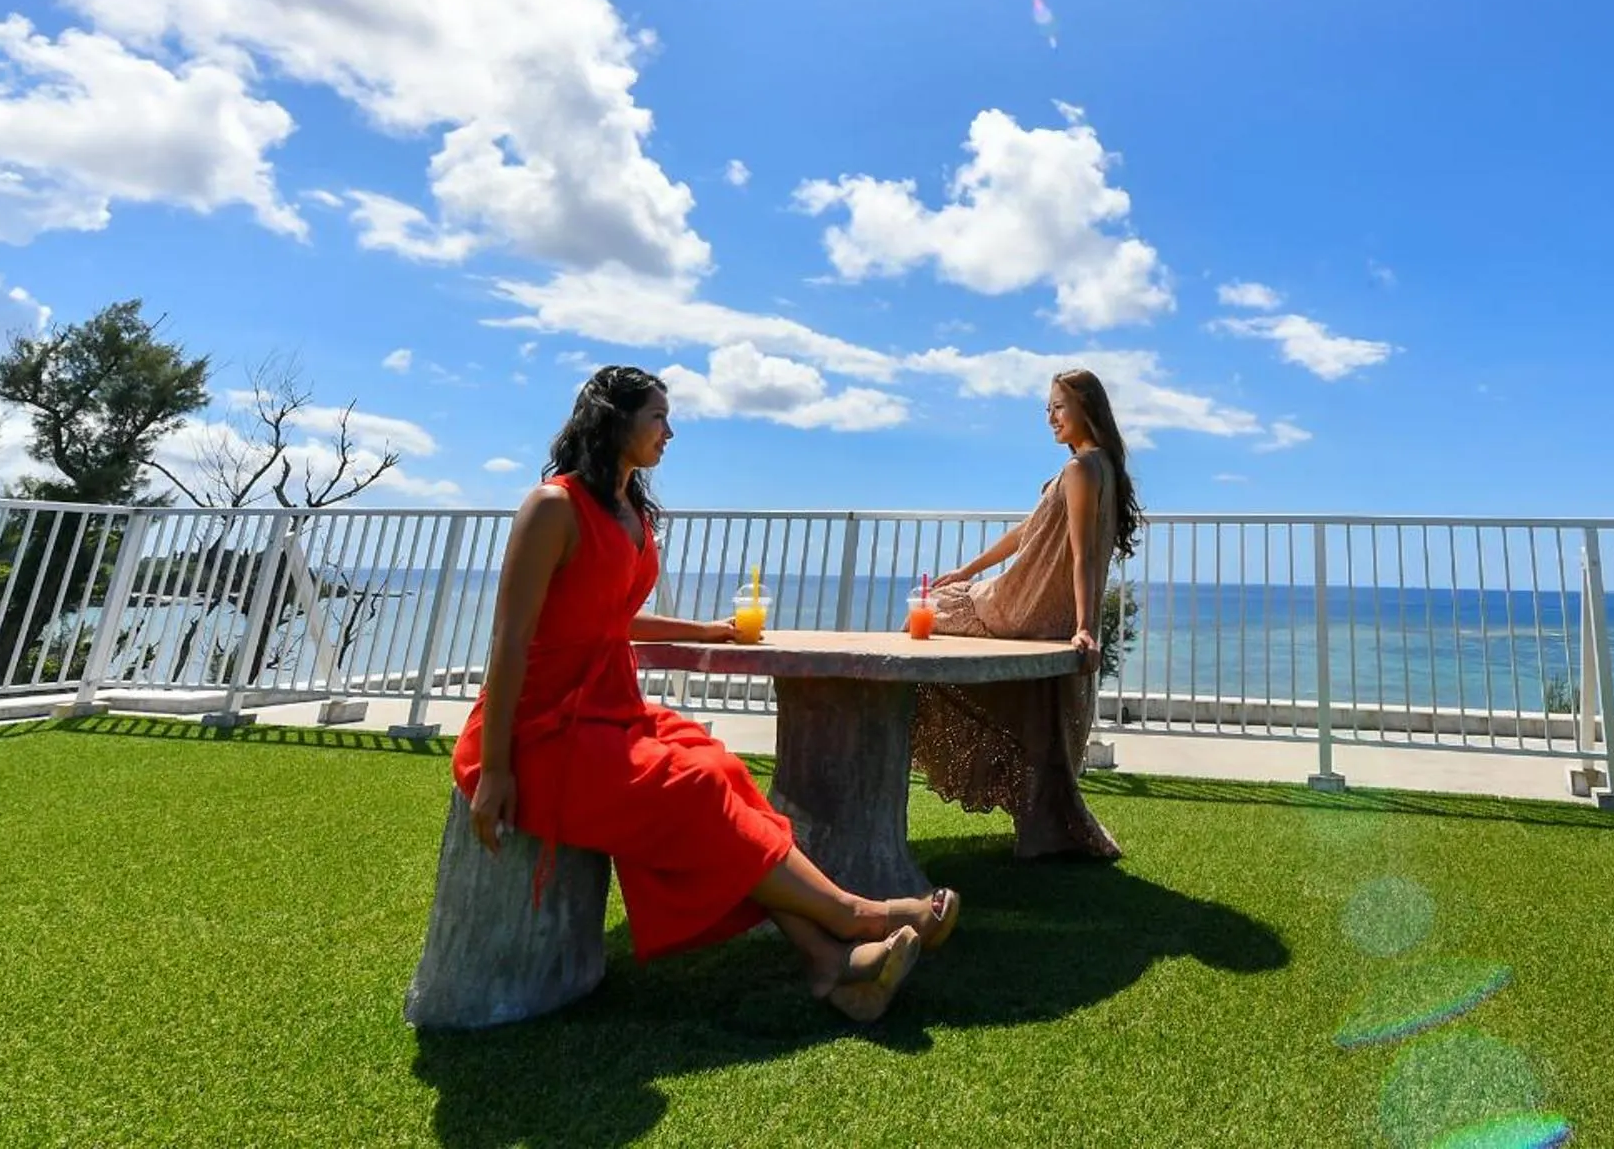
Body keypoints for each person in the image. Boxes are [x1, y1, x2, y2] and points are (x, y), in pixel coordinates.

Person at [453, 364, 959, 1022]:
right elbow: (510, 639)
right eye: (658, 416)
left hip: (609, 708)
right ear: (616, 419)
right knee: (693, 787)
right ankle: (857, 914)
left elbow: (606, 615)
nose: (671, 430)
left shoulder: (629, 508)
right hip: (536, 730)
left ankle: (828, 963)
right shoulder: (554, 506)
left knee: (720, 767)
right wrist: (495, 768)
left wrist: (708, 630)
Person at [911, 368, 1143, 860]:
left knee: (922, 621)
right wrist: (968, 568)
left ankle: (888, 765)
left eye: (1059, 407)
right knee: (950, 603)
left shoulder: (1080, 470)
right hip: (1038, 609)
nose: (1051, 418)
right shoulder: (1100, 468)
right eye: (1048, 409)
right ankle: (1038, 817)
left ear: (1087, 408)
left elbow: (1081, 554)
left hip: (1023, 606)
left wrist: (1084, 628)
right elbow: (1027, 532)